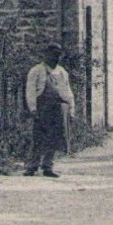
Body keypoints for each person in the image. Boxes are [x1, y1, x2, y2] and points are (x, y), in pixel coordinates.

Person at [24, 42, 75, 177]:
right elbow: (30, 91)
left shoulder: (62, 72)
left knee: (54, 138)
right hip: (42, 108)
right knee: (38, 137)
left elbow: (68, 91)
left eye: (58, 56)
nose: (55, 58)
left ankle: (48, 166)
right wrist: (33, 109)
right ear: (46, 55)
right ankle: (32, 166)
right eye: (53, 55)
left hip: (57, 108)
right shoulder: (36, 71)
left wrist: (71, 109)